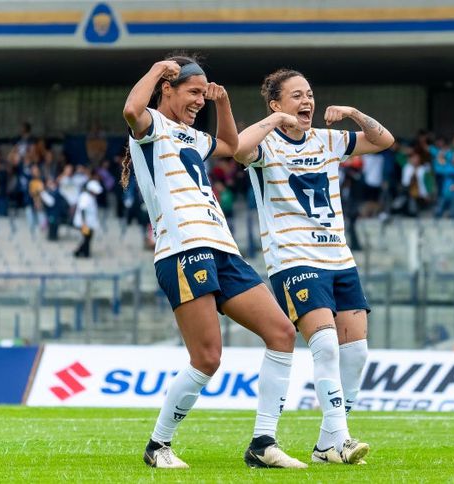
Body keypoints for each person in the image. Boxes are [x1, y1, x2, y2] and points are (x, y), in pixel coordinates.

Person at [122, 55, 304, 470]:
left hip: (223, 248)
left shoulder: (192, 136)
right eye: (193, 92)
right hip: (184, 249)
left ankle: (263, 443)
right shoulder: (151, 125)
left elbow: (232, 146)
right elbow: (132, 109)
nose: (198, 101)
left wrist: (223, 103)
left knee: (281, 333)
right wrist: (157, 68)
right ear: (167, 89)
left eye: (202, 94)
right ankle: (158, 445)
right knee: (207, 358)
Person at [235, 69, 394, 465]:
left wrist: (353, 113)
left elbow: (384, 140)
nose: (307, 101)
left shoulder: (327, 140)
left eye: (309, 94)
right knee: (324, 345)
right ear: (276, 104)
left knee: (356, 353)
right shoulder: (266, 144)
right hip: (293, 259)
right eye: (296, 96)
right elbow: (238, 149)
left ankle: (325, 446)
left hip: (339, 258)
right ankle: (342, 438)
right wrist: (273, 121)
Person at [73, 180, 102, 258]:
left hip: (89, 223)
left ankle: (83, 252)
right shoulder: (85, 197)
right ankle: (82, 252)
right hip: (85, 223)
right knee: (87, 237)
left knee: (88, 238)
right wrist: (84, 223)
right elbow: (82, 210)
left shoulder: (90, 197)